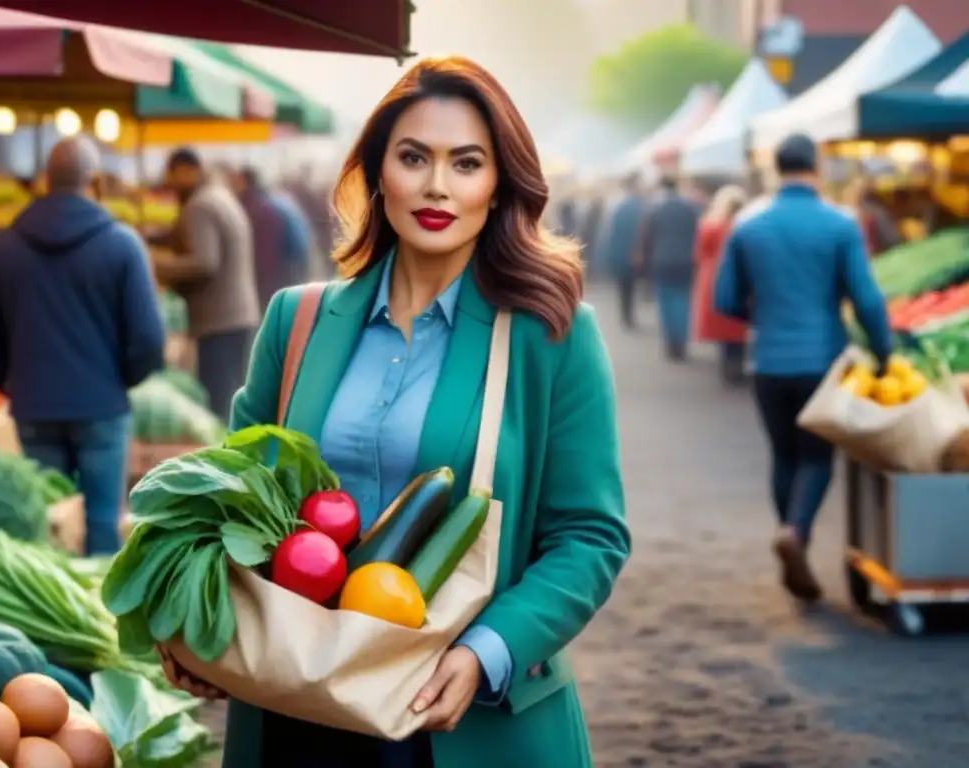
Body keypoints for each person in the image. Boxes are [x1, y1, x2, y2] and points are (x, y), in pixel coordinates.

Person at [159, 56, 630, 768]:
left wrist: (487, 652)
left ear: (499, 183)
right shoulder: (298, 322)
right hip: (296, 703)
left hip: (460, 718)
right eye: (414, 157)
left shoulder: (551, 335)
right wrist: (193, 621)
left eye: (466, 163)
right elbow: (229, 505)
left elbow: (590, 536)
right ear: (379, 171)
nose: (437, 185)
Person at [0, 136, 166, 554]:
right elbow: (148, 338)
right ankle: (101, 616)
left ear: (44, 181)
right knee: (102, 526)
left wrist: (14, 380)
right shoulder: (122, 244)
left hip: (33, 406)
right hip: (102, 407)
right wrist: (119, 380)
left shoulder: (2, 246)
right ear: (92, 181)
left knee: (46, 521)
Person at [714, 133, 892, 602]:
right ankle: (796, 532)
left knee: (783, 454)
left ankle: (789, 532)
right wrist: (885, 352)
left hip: (768, 360)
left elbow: (725, 299)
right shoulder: (840, 224)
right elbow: (868, 299)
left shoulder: (748, 226)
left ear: (775, 168)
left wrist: (765, 319)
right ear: (815, 166)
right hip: (822, 361)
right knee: (816, 457)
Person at [153, 148, 260, 423]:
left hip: (218, 320)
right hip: (238, 315)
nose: (169, 183)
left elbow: (204, 262)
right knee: (232, 398)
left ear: (187, 171)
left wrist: (156, 266)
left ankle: (224, 462)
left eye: (172, 175)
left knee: (218, 403)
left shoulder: (199, 206)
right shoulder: (219, 195)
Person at [229, 165, 313, 311]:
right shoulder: (275, 201)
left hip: (277, 276)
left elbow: (264, 255)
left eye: (235, 180)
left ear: (244, 182)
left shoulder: (257, 209)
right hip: (292, 267)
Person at [634, 174, 700, 360]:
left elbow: (645, 238)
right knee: (683, 301)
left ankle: (671, 342)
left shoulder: (654, 209)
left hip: (661, 261)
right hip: (686, 261)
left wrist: (643, 266)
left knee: (665, 302)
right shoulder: (690, 208)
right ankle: (681, 342)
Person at [692, 185, 749, 384]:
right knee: (739, 324)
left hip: (712, 276)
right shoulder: (745, 227)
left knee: (721, 322)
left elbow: (700, 253)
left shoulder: (710, 226)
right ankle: (737, 363)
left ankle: (727, 364)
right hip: (740, 277)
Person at [599, 174, 645, 327]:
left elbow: (610, 233)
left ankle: (626, 315)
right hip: (634, 252)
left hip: (620, 253)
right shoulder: (639, 206)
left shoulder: (617, 207)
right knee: (629, 285)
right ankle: (628, 315)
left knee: (624, 287)